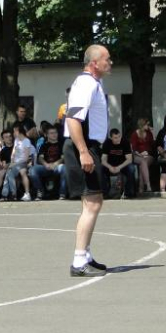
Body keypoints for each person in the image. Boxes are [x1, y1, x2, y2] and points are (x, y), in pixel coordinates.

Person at [64, 44, 111, 277]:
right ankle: (79, 260)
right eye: (106, 59)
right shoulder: (86, 83)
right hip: (81, 147)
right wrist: (83, 151)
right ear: (94, 63)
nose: (110, 63)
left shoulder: (94, 83)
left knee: (93, 202)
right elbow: (73, 119)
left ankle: (86, 256)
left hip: (88, 146)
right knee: (92, 204)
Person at [29, 125, 67, 200]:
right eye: (51, 133)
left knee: (64, 168)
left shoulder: (62, 144)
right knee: (32, 170)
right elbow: (40, 158)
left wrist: (55, 164)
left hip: (58, 166)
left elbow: (63, 158)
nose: (54, 134)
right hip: (45, 167)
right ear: (47, 135)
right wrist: (46, 164)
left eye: (55, 132)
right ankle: (40, 191)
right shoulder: (44, 145)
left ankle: (62, 193)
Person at [101, 128, 136, 199]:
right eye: (115, 138)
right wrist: (110, 167)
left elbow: (129, 159)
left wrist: (119, 167)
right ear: (111, 138)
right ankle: (105, 193)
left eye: (119, 137)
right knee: (101, 169)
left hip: (123, 165)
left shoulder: (125, 142)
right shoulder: (107, 143)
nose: (118, 139)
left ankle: (129, 193)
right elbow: (103, 160)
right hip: (110, 165)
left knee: (131, 168)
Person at [5, 125, 36, 201]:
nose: (13, 133)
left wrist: (14, 164)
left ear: (18, 131)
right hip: (16, 163)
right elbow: (13, 153)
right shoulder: (16, 140)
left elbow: (25, 158)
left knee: (21, 172)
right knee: (8, 172)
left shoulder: (26, 141)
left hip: (23, 163)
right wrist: (12, 162)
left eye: (14, 131)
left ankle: (26, 193)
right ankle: (12, 193)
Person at [130, 118, 155, 193]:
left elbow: (153, 145)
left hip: (148, 156)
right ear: (143, 125)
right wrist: (140, 154)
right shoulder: (135, 134)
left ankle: (141, 188)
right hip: (137, 155)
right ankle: (148, 185)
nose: (148, 126)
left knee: (142, 164)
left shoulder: (149, 133)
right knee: (142, 162)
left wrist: (153, 134)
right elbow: (133, 148)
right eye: (147, 124)